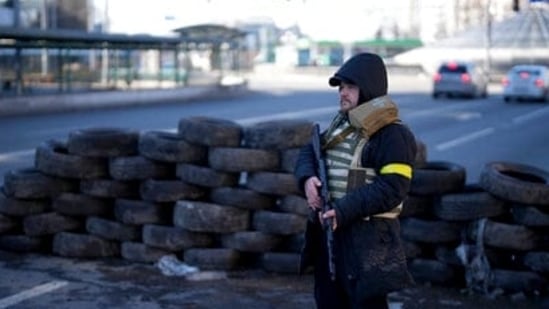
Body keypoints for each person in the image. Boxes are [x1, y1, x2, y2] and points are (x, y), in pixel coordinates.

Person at [294, 52, 417, 309]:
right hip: (330, 237)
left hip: (367, 243)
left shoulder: (393, 135)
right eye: (341, 87)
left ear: (369, 89)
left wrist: (343, 210)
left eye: (350, 86)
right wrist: (307, 179)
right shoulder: (343, 125)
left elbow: (393, 188)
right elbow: (309, 151)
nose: (342, 92)